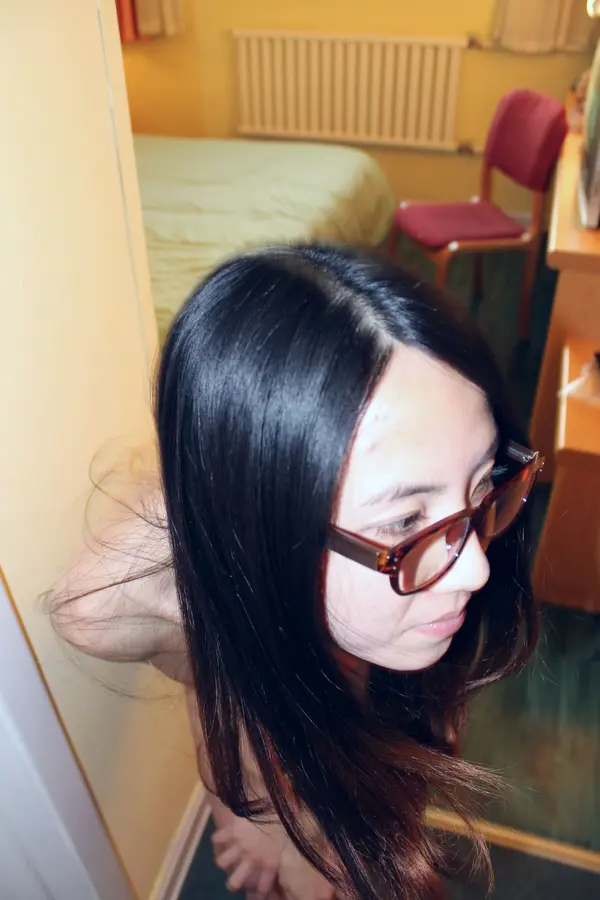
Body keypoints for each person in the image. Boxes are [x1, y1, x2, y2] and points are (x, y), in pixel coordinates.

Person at [51, 244, 541, 900]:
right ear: (267, 527)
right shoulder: (187, 601)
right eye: (404, 520)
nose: (475, 569)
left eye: (480, 484)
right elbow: (200, 665)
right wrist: (257, 818)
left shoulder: (409, 594)